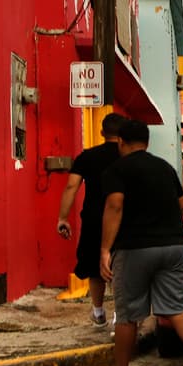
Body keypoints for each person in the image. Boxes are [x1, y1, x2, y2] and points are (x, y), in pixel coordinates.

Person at [96, 119, 183, 366]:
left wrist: (105, 249)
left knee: (128, 315)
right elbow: (182, 205)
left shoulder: (117, 170)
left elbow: (115, 206)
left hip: (134, 249)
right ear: (147, 142)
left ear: (121, 143)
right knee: (175, 308)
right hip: (173, 247)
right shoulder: (165, 168)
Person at [56, 112, 125, 327]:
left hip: (94, 218)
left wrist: (62, 217)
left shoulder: (87, 157)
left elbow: (71, 186)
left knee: (96, 266)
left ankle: (98, 312)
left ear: (102, 132)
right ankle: (119, 314)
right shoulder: (127, 157)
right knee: (120, 265)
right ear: (122, 134)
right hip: (123, 216)